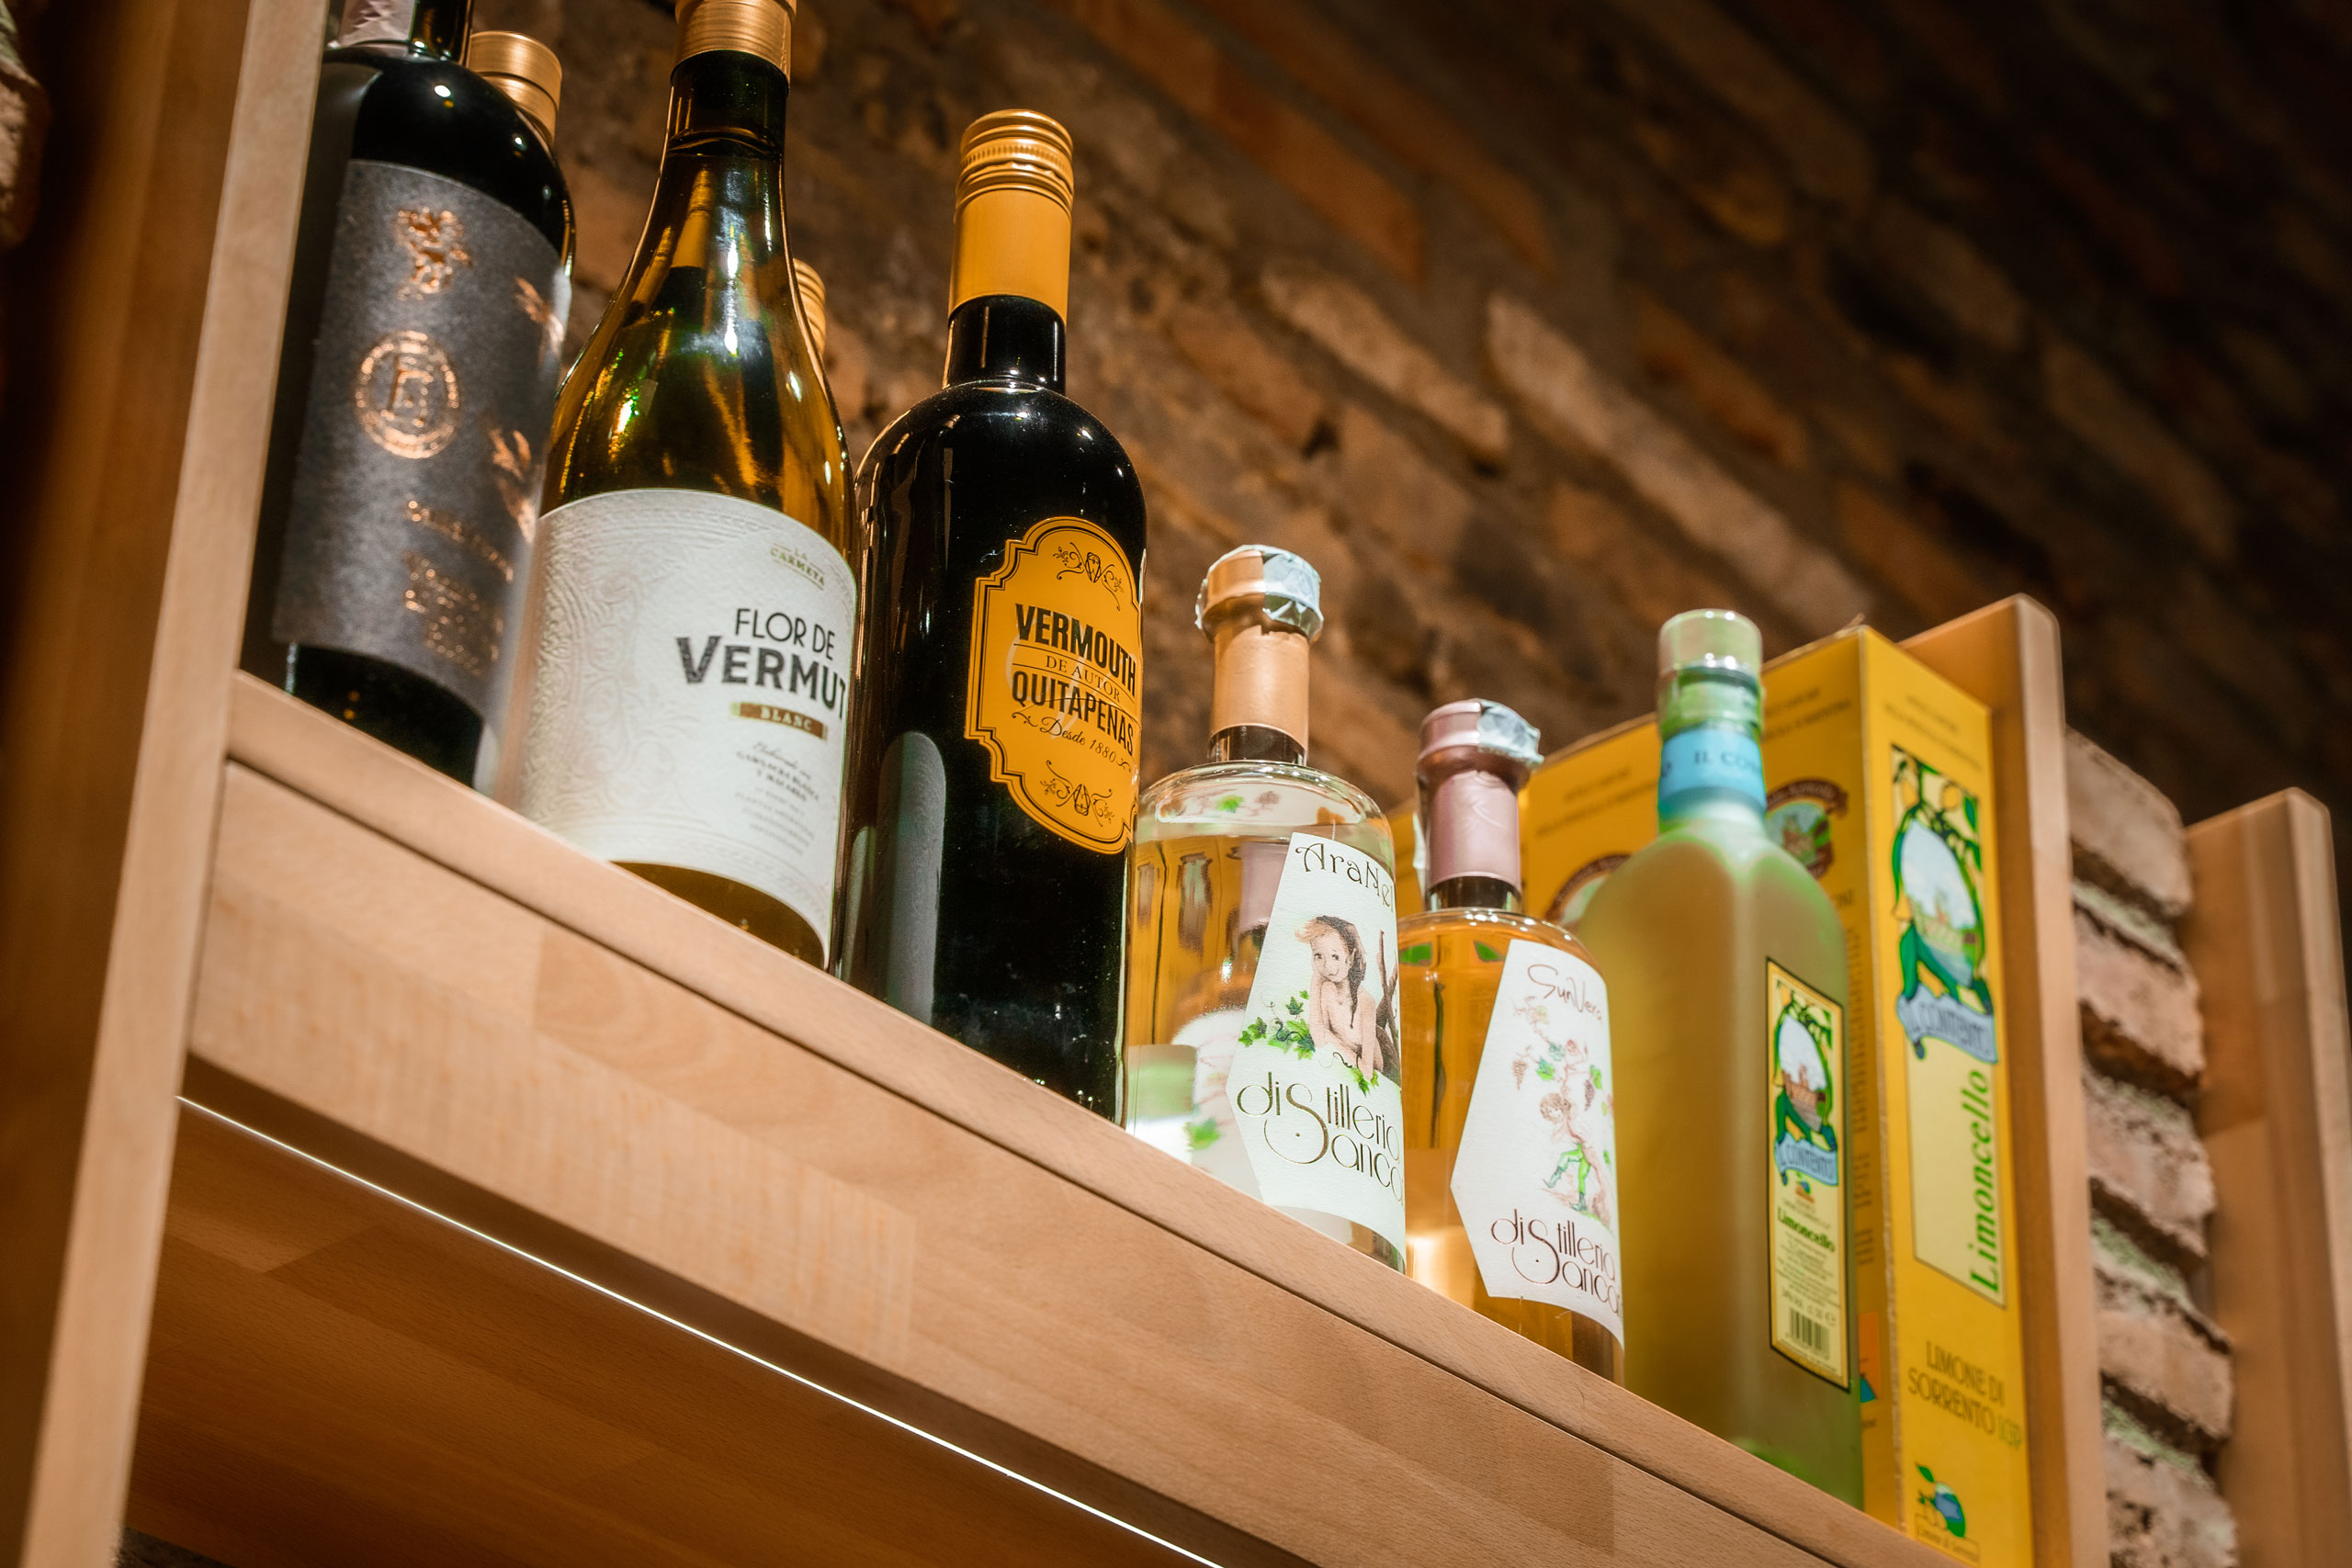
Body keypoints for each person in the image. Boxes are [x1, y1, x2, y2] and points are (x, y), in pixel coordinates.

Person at [1299, 915, 1399, 1083]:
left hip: (1378, 1077)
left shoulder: (1365, 1002)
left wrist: (1333, 1039)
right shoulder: (1326, 989)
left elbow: (1368, 1072)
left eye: (1335, 956)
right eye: (1318, 956)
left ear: (1350, 959)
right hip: (1342, 1069)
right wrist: (1315, 982)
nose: (1327, 966)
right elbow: (1319, 1038)